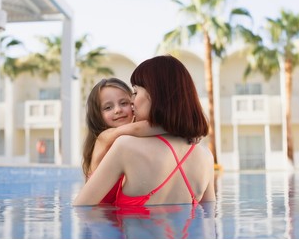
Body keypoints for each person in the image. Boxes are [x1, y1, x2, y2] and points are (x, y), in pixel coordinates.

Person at [74, 55, 216, 206]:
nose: (132, 101)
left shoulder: (125, 146)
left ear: (154, 94)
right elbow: (209, 216)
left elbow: (81, 208)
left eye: (135, 93)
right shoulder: (206, 155)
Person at [82, 77, 164, 203]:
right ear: (97, 115)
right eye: (108, 107)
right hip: (97, 215)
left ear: (133, 104)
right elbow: (138, 128)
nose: (118, 110)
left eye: (124, 103)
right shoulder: (104, 137)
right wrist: (182, 128)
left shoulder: (133, 140)